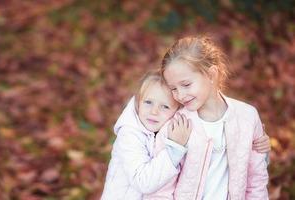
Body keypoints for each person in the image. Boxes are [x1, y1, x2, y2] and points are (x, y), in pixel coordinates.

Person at [156, 36, 270, 199]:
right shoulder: (176, 125)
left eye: (186, 85)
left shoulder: (247, 117)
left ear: (211, 74)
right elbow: (161, 189)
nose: (179, 95)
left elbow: (256, 180)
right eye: (173, 88)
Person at [101, 70, 192, 200]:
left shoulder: (162, 133)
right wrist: (175, 149)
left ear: (177, 111)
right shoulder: (129, 134)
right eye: (148, 102)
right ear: (138, 102)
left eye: (165, 107)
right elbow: (142, 181)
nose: (154, 111)